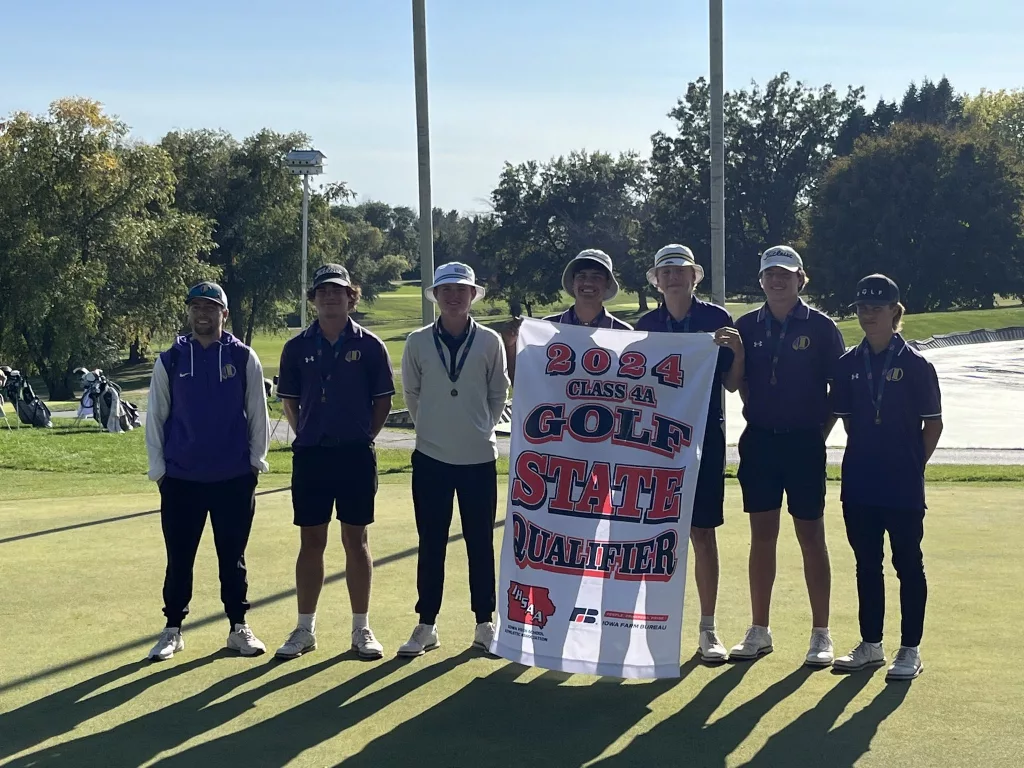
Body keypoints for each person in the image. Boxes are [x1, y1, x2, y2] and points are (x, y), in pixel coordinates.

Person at [730, 246, 846, 667]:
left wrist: (820, 432)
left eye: (785, 274)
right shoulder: (745, 326)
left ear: (801, 279)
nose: (777, 281)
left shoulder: (821, 327)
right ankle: (759, 629)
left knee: (811, 536)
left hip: (804, 442)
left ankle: (821, 634)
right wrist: (757, 408)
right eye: (769, 275)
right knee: (762, 537)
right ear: (760, 280)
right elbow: (738, 381)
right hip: (759, 441)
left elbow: (840, 389)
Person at [274, 264, 394, 660]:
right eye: (322, 291)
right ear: (313, 299)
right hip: (312, 456)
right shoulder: (296, 348)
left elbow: (382, 403)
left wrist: (361, 436)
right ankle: (304, 628)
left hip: (355, 455)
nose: (330, 297)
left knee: (356, 542)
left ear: (350, 297)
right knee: (311, 542)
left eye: (338, 291)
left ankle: (361, 628)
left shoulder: (372, 345)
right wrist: (309, 432)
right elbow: (290, 403)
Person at [145, 281, 270, 661]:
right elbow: (156, 417)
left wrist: (254, 464)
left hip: (233, 476)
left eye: (211, 307)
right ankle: (173, 629)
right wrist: (160, 472)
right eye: (196, 307)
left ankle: (238, 626)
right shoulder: (171, 359)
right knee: (179, 557)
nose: (203, 313)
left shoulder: (244, 357)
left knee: (232, 556)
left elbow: (258, 415)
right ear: (189, 312)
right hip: (182, 477)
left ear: (224, 314)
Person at [634, 245, 744, 662]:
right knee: (651, 535)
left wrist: (741, 351)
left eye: (681, 270)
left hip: (705, 438)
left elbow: (733, 382)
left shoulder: (717, 320)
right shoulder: (645, 325)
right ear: (657, 280)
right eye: (666, 271)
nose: (674, 277)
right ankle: (649, 627)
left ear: (694, 276)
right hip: (653, 442)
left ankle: (707, 627)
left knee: (702, 533)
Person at [831, 274, 942, 681]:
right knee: (866, 565)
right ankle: (871, 644)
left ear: (895, 312)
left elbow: (933, 425)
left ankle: (910, 649)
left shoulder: (916, 364)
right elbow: (847, 423)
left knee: (908, 564)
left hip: (902, 484)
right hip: (859, 481)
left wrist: (913, 464)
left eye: (876, 308)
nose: (867, 315)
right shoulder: (847, 366)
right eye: (862, 307)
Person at [397, 263, 510, 657]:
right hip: (431, 458)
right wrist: (433, 427)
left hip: (478, 458)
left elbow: (499, 393)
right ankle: (426, 624)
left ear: (472, 295)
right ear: (436, 296)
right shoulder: (417, 341)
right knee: (431, 544)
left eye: (461, 289)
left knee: (480, 543)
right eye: (446, 290)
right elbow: (412, 393)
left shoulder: (491, 340)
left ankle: (485, 623)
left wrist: (480, 428)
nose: (454, 296)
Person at [502, 249, 632, 383]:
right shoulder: (547, 329)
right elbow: (522, 382)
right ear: (573, 282)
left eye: (596, 277)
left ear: (607, 283)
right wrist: (511, 345)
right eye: (581, 276)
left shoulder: (624, 333)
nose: (587, 282)